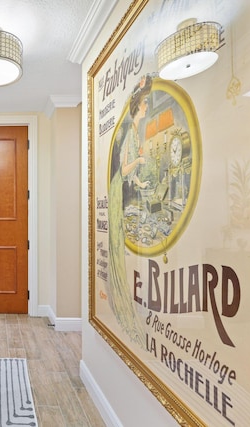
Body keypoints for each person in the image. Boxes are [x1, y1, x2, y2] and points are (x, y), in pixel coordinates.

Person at [106, 74, 152, 347]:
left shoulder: (133, 131)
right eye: (145, 103)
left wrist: (140, 180)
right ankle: (123, 306)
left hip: (122, 193)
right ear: (136, 106)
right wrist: (138, 161)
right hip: (116, 197)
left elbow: (129, 175)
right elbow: (122, 171)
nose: (147, 107)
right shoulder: (128, 132)